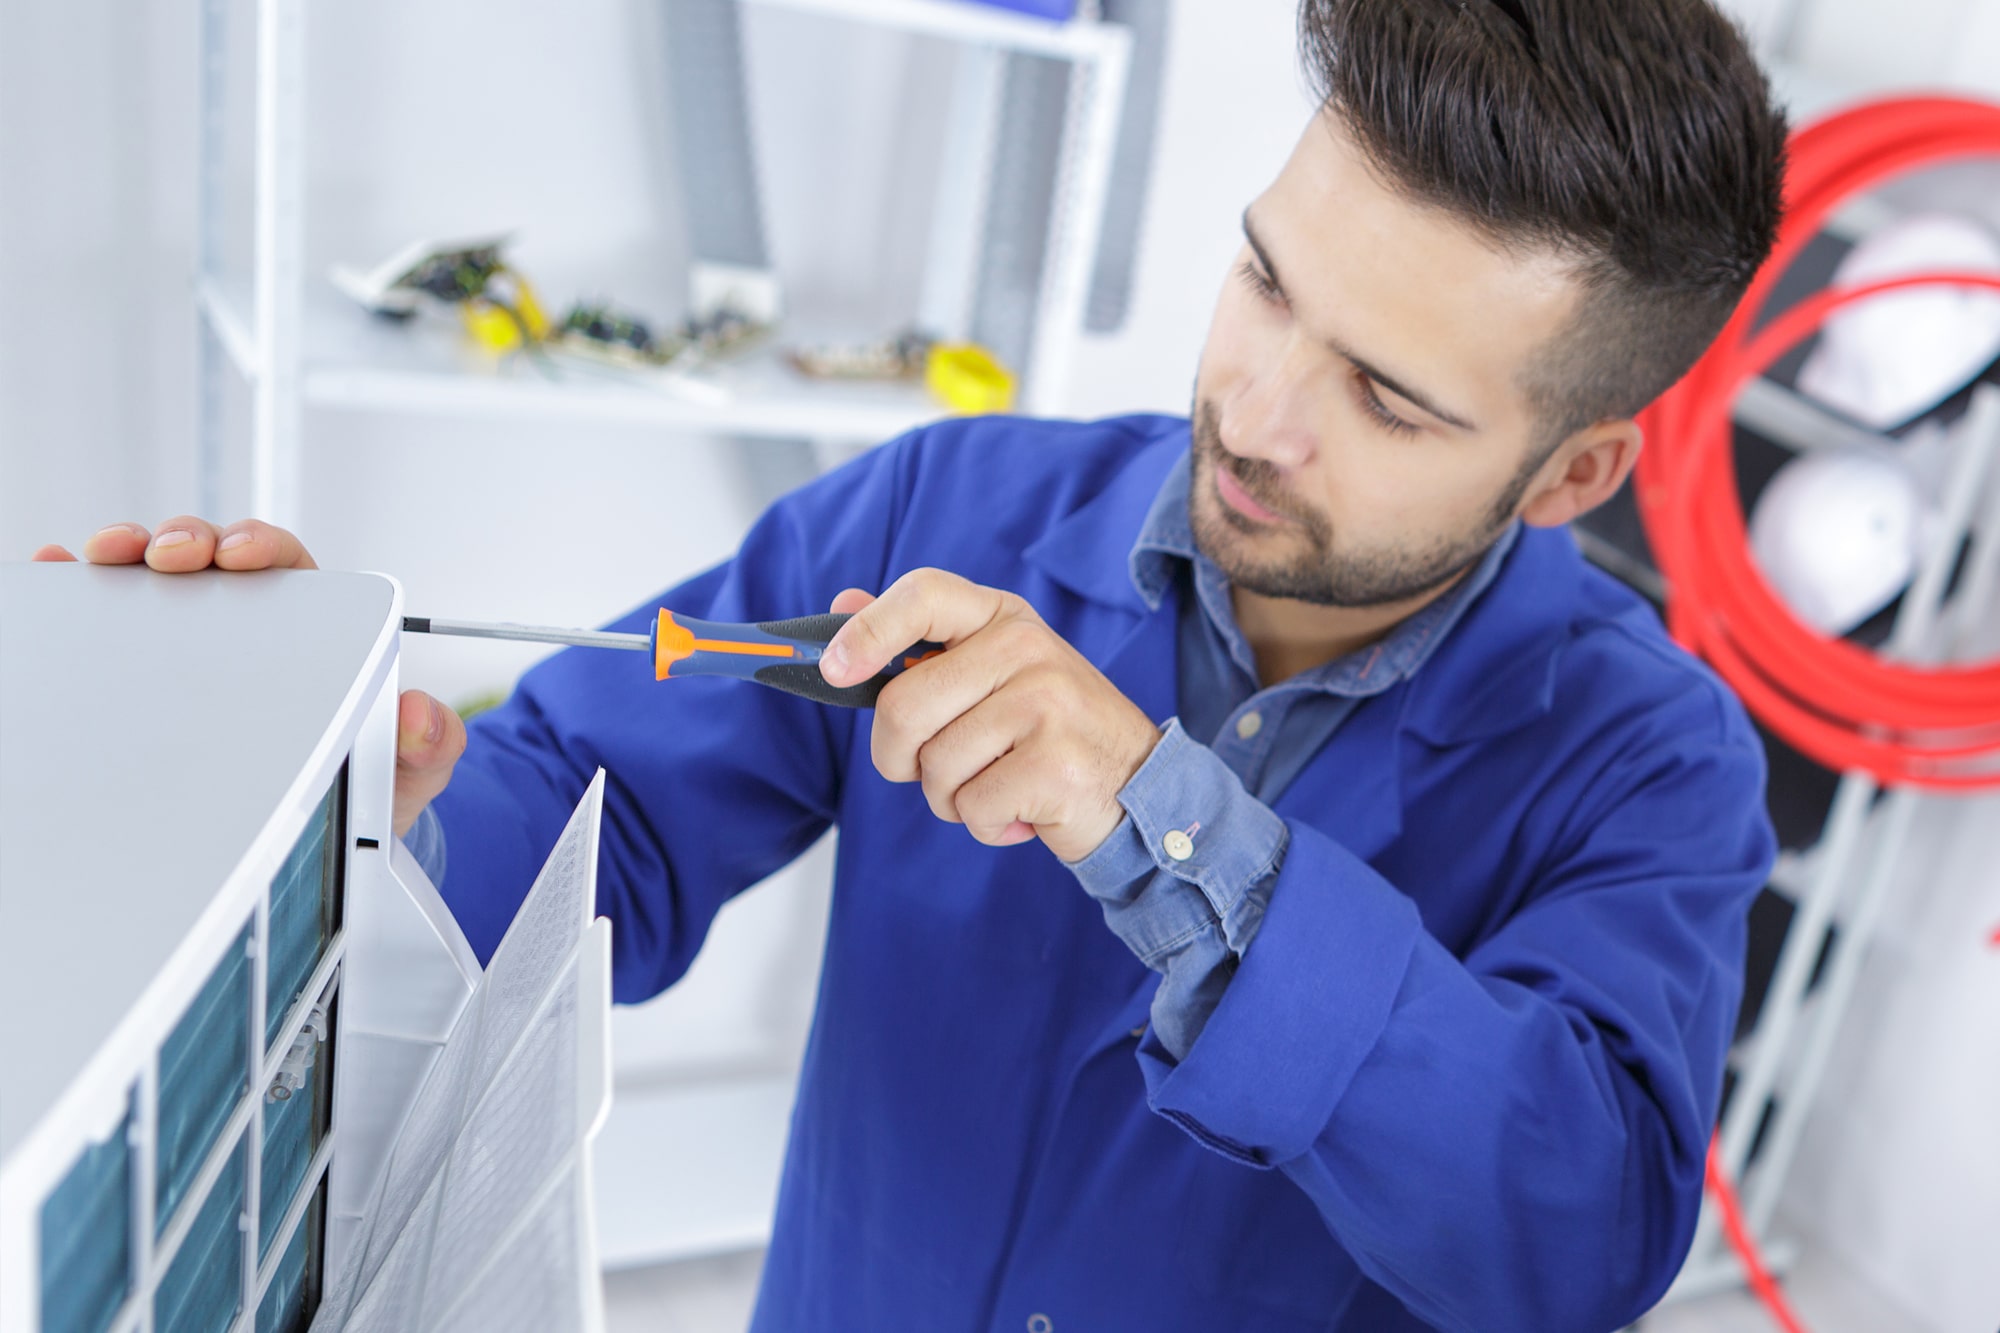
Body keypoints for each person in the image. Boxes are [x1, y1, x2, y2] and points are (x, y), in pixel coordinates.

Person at [37, 1, 1787, 1327]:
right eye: (1263, 282)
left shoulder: (1656, 764)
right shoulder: (952, 505)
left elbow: (1570, 1236)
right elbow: (596, 825)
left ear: (1572, 472)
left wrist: (1167, 826)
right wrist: (341, 817)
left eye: (1388, 399)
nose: (1252, 417)